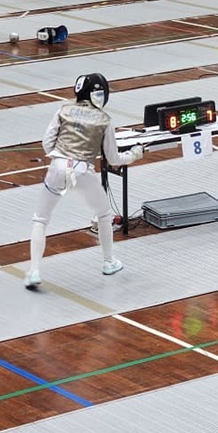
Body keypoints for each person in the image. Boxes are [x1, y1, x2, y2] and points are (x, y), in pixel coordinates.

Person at [25, 73, 146, 289]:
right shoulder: (104, 120)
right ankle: (109, 262)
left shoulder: (62, 110)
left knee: (40, 219)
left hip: (57, 167)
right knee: (104, 215)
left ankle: (34, 271)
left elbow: (46, 144)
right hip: (82, 171)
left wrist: (62, 155)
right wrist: (135, 154)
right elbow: (114, 159)